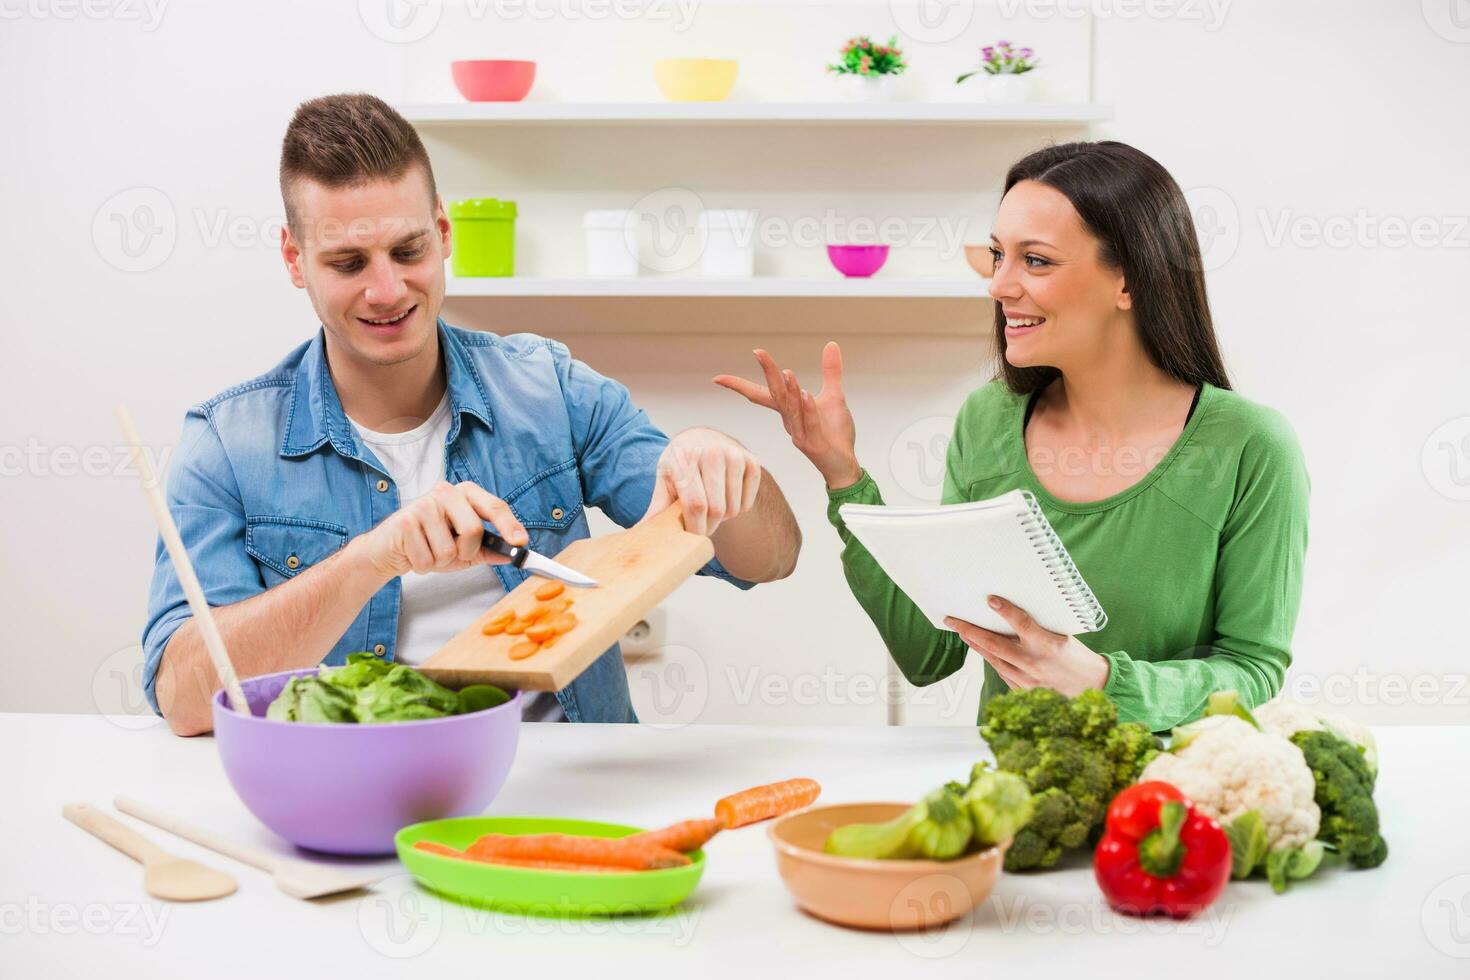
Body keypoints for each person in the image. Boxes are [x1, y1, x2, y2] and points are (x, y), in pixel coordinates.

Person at [143, 93, 801, 736]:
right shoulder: (228, 443)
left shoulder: (550, 389)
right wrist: (371, 558)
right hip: (363, 796)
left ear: (444, 232)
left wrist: (720, 463)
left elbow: (769, 559)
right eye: (348, 262)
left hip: (568, 791)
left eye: (408, 251)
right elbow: (185, 698)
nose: (387, 290)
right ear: (294, 259)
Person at [717, 141, 1309, 732]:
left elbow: (1252, 672)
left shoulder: (1248, 447)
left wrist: (1104, 683)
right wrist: (841, 472)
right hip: (1012, 794)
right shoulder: (990, 421)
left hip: (1167, 799)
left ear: (1128, 282)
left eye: (1037, 261)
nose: (999, 286)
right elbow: (930, 653)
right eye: (998, 256)